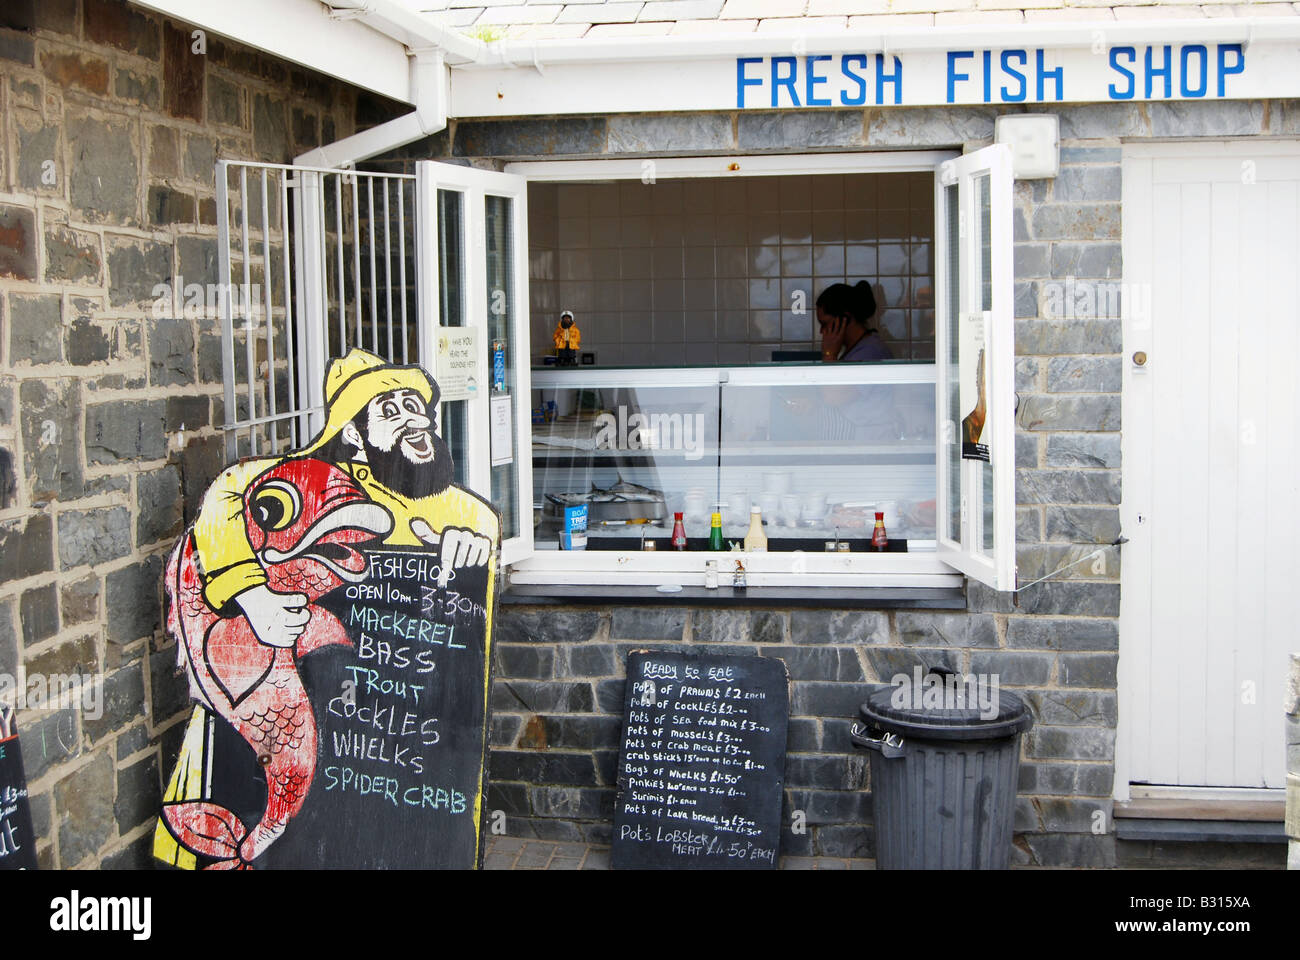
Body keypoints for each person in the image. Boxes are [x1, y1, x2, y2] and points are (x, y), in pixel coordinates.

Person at [190, 348, 498, 649]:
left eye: (413, 405)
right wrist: (251, 595)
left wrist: (473, 554)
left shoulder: (466, 509)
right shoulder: (322, 482)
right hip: (337, 677)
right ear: (353, 435)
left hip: (417, 670)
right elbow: (229, 488)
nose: (413, 420)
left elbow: (473, 612)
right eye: (390, 411)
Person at [816, 281, 891, 362]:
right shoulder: (859, 348)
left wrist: (829, 355)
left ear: (844, 319)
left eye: (824, 324)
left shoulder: (869, 353)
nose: (821, 331)